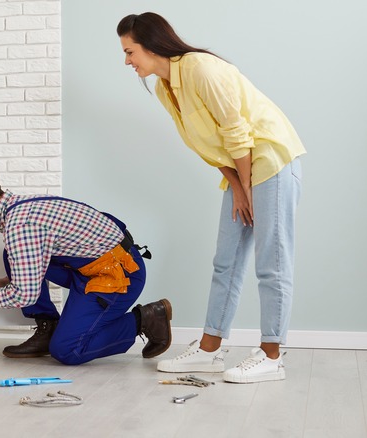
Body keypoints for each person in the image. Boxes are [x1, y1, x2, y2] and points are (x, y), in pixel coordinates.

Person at [117, 12, 305, 383]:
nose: (127, 61)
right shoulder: (164, 88)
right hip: (243, 170)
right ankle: (209, 349)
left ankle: (272, 355)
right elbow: (205, 146)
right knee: (226, 262)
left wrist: (248, 187)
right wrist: (237, 186)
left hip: (271, 159)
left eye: (129, 51)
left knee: (272, 261)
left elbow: (236, 132)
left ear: (151, 46)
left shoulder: (201, 69)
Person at [0, 165, 172, 365]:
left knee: (67, 350)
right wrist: (9, 279)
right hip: (92, 266)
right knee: (11, 255)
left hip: (118, 274)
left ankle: (146, 319)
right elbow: (31, 257)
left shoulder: (20, 225)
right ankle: (49, 329)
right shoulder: (17, 208)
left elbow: (25, 296)